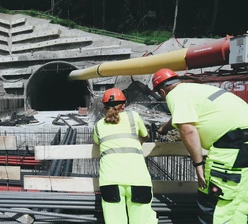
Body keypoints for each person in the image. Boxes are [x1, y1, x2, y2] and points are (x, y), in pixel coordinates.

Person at [152, 68, 248, 224]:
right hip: (243, 145)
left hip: (229, 147)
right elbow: (186, 114)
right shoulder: (194, 89)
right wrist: (165, 128)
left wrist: (198, 165)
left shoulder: (174, 95)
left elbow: (188, 130)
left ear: (162, 92)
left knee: (215, 205)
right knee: (240, 202)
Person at [93, 88, 157, 224]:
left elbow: (97, 142)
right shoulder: (133, 117)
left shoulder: (98, 125)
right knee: (142, 220)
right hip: (138, 179)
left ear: (104, 108)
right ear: (124, 104)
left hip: (110, 180)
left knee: (114, 221)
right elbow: (145, 136)